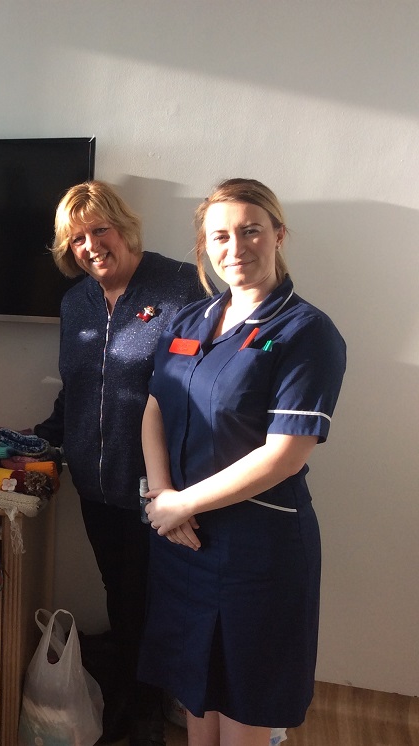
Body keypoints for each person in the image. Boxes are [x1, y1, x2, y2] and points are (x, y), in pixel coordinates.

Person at [138, 179, 347, 746]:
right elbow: (156, 405)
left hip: (258, 552)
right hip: (182, 540)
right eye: (221, 235)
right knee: (196, 703)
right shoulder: (190, 321)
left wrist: (181, 503)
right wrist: (162, 497)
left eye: (251, 230)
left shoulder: (307, 333)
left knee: (244, 715)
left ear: (278, 234)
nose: (237, 247)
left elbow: (284, 454)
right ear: (205, 246)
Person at [34, 181, 206, 746]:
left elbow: (209, 388)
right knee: (122, 592)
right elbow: (78, 389)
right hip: (94, 479)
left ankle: (143, 714)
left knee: (151, 599)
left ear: (124, 227)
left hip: (161, 485)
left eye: (99, 229)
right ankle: (137, 701)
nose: (90, 245)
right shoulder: (75, 302)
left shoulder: (183, 287)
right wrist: (41, 440)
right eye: (76, 238)